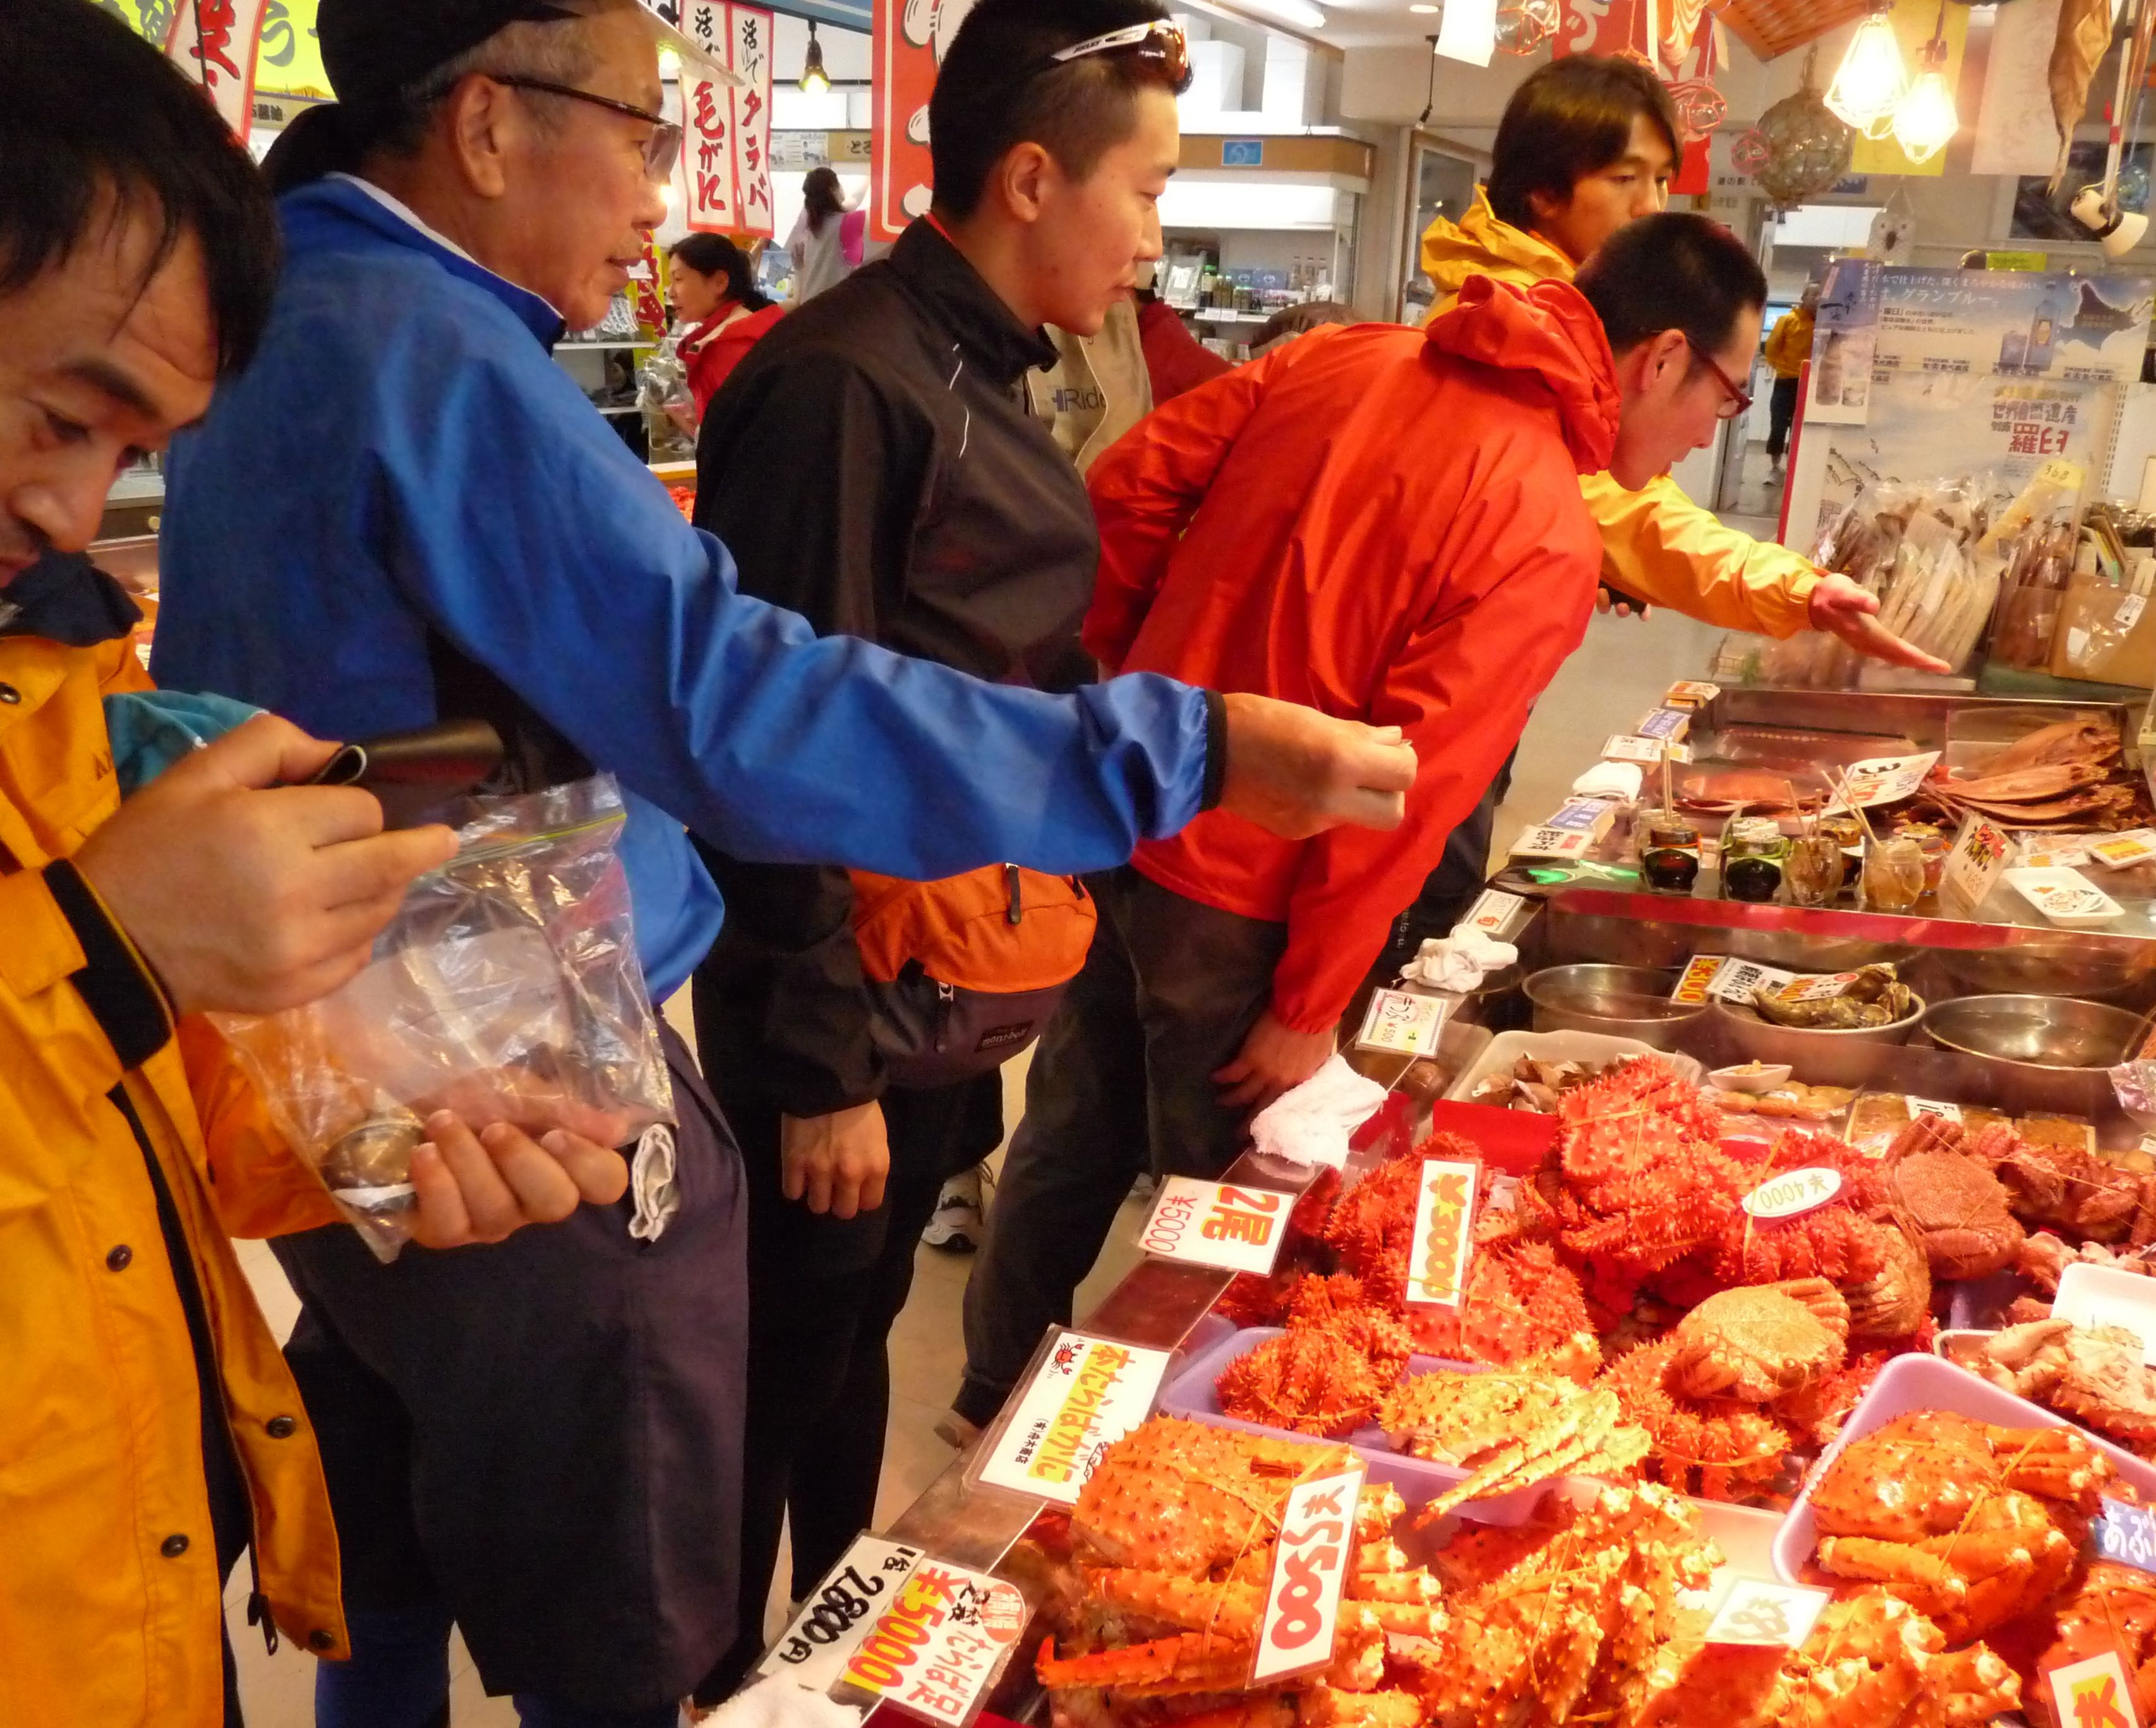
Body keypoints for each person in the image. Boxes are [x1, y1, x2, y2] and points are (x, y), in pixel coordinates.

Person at [151, 2, 1412, 1721]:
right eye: (645, 138)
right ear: (486, 125)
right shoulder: (432, 350)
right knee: (619, 1620)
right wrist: (1180, 751)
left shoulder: (290, 306)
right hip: (521, 1098)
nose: (662, 208)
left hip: (341, 1070)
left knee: (390, 1517)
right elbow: (736, 705)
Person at [0, 5, 634, 1724]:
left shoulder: (44, 688)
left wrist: (369, 1122)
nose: (70, 512)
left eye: (127, 457)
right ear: (491, 130)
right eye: (65, 412)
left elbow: (101, 1142)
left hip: (114, 1612)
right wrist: (105, 947)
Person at [946, 213, 1773, 1439]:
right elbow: (1407, 795)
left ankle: (987, 1402)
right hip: (1243, 902)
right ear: (1657, 360)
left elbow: (1115, 503)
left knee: (1074, 1120)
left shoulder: (1338, 356)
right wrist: (1308, 1005)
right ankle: (1180, 1465)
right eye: (1727, 395)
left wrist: (1126, 699)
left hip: (1129, 812)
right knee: (1228, 1205)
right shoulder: (1545, 524)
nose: (1717, 429)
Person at [684, 0, 1196, 1698]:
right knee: (779, 1376)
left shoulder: (981, 362)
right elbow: (768, 738)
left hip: (948, 998)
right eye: (1150, 189)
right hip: (846, 1005)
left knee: (843, 1368)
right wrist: (819, 1054)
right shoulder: (843, 381)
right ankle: (729, 1682)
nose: (1155, 236)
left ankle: (832, 1665)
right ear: (1033, 177)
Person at [1393, 52, 1941, 957]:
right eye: (1625, 179)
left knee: (1426, 854)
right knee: (1414, 875)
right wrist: (1790, 587)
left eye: (1659, 179)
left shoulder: (1554, 319)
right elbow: (1620, 513)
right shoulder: (1515, 331)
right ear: (1542, 195)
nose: (1651, 205)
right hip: (1420, 690)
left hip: (1418, 698)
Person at [665, 231, 781, 425]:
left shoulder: (730, 345)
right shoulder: (749, 326)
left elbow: (742, 433)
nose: (671, 293)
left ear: (719, 283)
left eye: (678, 279)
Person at [786, 164, 865, 304]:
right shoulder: (851, 221)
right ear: (833, 189)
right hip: (833, 309)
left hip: (808, 306)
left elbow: (854, 201)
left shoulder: (810, 223)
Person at [1763, 286, 1817, 478]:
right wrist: (1783, 368)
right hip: (1785, 382)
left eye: (1822, 295)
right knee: (1778, 424)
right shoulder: (1787, 321)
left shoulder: (1824, 324)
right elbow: (1771, 349)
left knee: (1801, 428)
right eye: (1814, 294)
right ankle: (1775, 467)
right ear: (1804, 297)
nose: (1818, 299)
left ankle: (1794, 468)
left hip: (1810, 385)